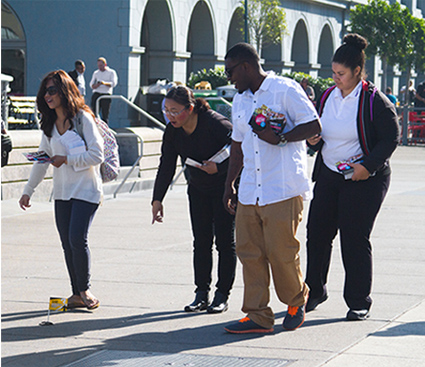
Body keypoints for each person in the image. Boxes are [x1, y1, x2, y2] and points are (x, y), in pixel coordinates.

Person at [222, 42, 321, 334]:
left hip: (282, 186)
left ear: (246, 67)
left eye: (231, 71)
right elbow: (237, 146)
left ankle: (295, 300)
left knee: (281, 251)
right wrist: (229, 184)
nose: (229, 78)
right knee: (248, 252)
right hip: (251, 188)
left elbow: (313, 125)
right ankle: (258, 315)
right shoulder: (240, 100)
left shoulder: (285, 89)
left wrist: (280, 137)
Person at [305, 34, 399, 321]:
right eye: (333, 72)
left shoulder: (374, 100)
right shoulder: (327, 97)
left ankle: (359, 301)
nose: (335, 78)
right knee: (317, 235)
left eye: (341, 74)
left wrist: (367, 167)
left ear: (357, 71)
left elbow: (391, 137)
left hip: (365, 179)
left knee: (354, 237)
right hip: (330, 175)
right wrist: (313, 141)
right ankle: (314, 291)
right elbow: (320, 135)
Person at [19, 70, 104, 310]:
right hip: (63, 193)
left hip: (86, 190)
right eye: (45, 91)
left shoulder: (82, 118)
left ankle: (85, 290)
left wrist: (66, 160)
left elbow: (98, 155)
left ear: (65, 91)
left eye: (52, 90)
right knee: (67, 242)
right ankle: (76, 293)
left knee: (78, 238)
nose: (47, 95)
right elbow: (42, 158)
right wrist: (28, 190)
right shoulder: (48, 124)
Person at [151, 85, 236, 314]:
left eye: (175, 111)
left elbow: (241, 150)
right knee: (201, 241)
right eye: (167, 110)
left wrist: (219, 168)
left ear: (190, 108)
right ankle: (201, 293)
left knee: (225, 243)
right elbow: (166, 164)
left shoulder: (215, 123)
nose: (170, 116)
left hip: (224, 189)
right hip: (198, 188)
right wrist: (157, 199)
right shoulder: (173, 131)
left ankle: (222, 295)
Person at [90, 57, 118, 123]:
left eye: (101, 65)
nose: (100, 67)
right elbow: (91, 84)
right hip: (97, 93)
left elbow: (113, 83)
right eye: (98, 65)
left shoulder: (111, 72)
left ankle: (105, 129)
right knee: (93, 112)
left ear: (105, 64)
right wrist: (97, 85)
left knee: (105, 114)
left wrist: (104, 83)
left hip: (106, 95)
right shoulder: (96, 73)